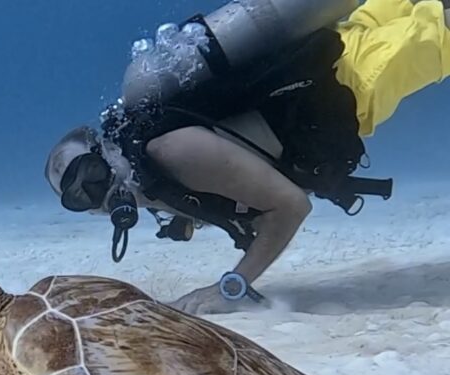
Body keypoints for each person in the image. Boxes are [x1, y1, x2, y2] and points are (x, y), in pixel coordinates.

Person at [44, 0, 450, 315]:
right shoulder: (154, 168)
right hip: (339, 50)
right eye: (80, 198)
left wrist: (231, 287)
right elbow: (212, 179)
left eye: (93, 175)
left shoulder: (170, 151)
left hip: (354, 80)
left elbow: (290, 207)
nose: (99, 193)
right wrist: (183, 220)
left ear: (106, 152)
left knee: (440, 31)